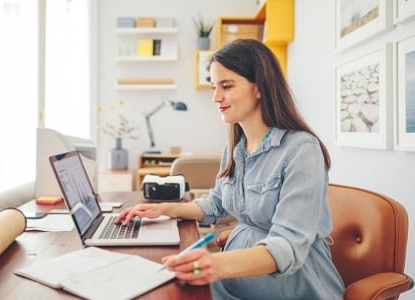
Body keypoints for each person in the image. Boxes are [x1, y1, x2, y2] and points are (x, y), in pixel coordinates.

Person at [115, 39, 345, 299]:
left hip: (295, 283)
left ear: (259, 88)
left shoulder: (301, 150)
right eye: (215, 86)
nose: (216, 97)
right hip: (241, 274)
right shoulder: (235, 147)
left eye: (226, 86)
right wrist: (164, 210)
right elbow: (216, 202)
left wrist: (216, 265)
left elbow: (288, 246)